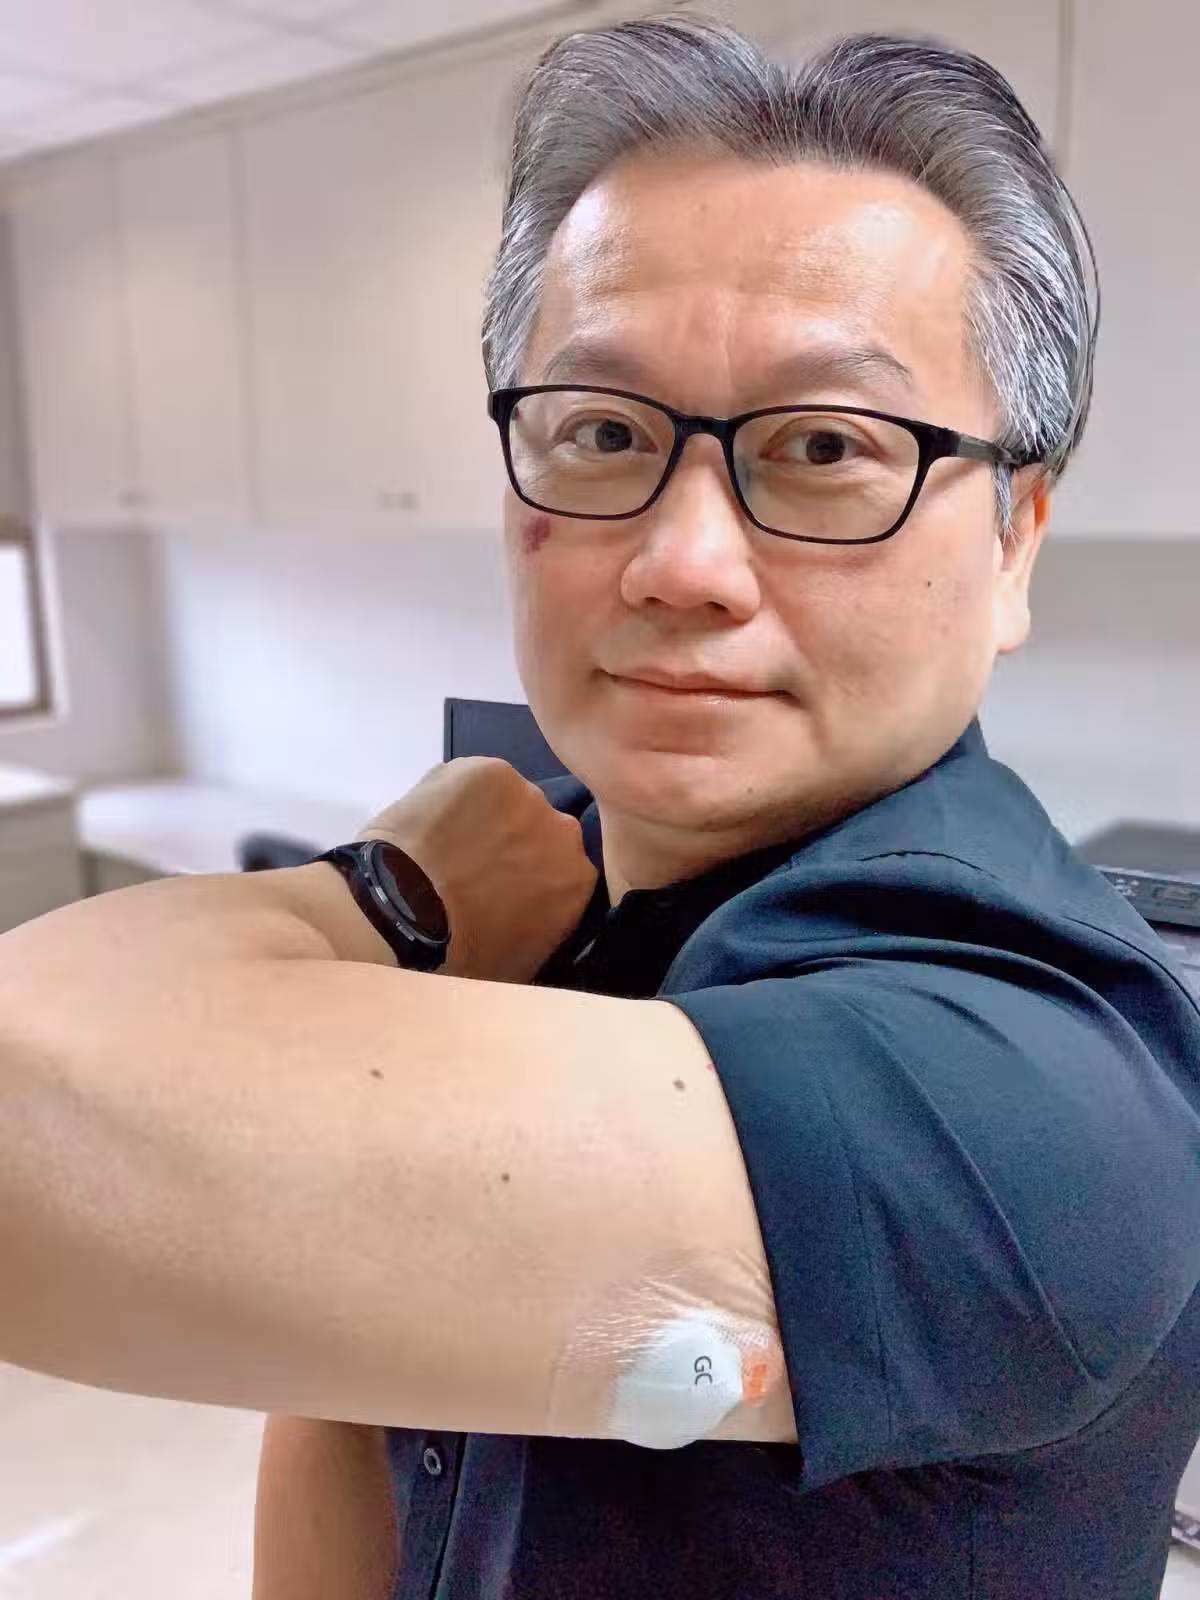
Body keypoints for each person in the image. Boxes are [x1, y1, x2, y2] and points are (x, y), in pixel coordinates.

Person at [2, 12, 1199, 1599]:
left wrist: (380, 897)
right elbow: (356, 1373)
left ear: (1016, 541)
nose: (682, 562)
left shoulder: (1023, 1087)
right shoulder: (565, 876)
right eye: (606, 431)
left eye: (826, 445)